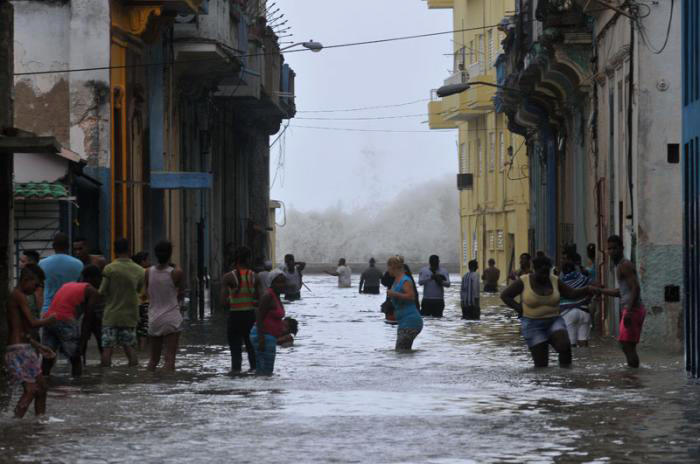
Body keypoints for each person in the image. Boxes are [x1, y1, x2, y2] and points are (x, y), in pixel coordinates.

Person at [500, 255, 596, 368]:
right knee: (542, 365)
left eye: (547, 273)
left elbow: (571, 293)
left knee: (565, 346)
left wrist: (587, 289)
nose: (545, 276)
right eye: (542, 273)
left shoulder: (554, 280)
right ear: (535, 270)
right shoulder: (523, 281)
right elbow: (505, 296)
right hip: (532, 324)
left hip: (554, 320)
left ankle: (566, 375)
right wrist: (518, 308)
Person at [5, 265, 57, 418]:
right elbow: (32, 323)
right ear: (27, 279)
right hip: (19, 349)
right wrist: (50, 320)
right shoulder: (18, 295)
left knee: (42, 387)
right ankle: (15, 424)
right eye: (36, 285)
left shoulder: (18, 296)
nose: (36, 289)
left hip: (23, 347)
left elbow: (24, 329)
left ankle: (40, 421)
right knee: (31, 390)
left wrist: (39, 346)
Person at [41, 265, 102, 378]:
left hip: (48, 320)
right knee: (75, 358)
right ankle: (77, 384)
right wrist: (82, 343)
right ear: (93, 278)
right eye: (100, 279)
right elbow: (88, 319)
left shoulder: (67, 285)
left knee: (48, 356)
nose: (100, 282)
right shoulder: (92, 291)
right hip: (65, 321)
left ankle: (44, 381)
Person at [594, 235, 645, 368]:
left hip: (633, 310)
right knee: (626, 345)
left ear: (621, 248)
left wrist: (629, 311)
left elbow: (635, 288)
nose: (611, 251)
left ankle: (633, 375)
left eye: (614, 248)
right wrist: (601, 291)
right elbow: (621, 292)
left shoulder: (625, 265)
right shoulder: (620, 266)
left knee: (627, 346)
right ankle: (633, 374)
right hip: (631, 309)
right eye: (609, 249)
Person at [99, 238, 145, 367]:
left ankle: (104, 375)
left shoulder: (109, 269)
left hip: (111, 316)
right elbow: (140, 290)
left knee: (107, 348)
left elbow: (101, 291)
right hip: (130, 316)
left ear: (115, 251)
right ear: (129, 250)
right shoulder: (140, 270)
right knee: (130, 348)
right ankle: (133, 375)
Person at [145, 241, 186, 372]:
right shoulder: (176, 273)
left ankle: (149, 381)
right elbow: (181, 292)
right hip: (171, 318)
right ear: (170, 254)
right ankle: (168, 383)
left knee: (153, 360)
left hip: (154, 318)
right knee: (169, 359)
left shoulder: (148, 272)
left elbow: (147, 292)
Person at [222, 246, 260, 373]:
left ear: (235, 259)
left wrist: (231, 299)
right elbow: (259, 300)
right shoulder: (255, 277)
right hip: (250, 317)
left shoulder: (228, 277)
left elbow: (222, 302)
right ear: (249, 259)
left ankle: (236, 374)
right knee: (252, 351)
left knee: (235, 353)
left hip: (234, 318)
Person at [250, 270, 288, 375]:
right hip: (263, 336)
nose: (282, 285)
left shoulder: (276, 296)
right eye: (279, 282)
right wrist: (261, 339)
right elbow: (259, 316)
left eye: (283, 282)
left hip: (269, 337)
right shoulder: (268, 296)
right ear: (271, 283)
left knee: (267, 372)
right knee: (264, 372)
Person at [39, 233, 84, 314]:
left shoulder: (42, 263)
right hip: (70, 310)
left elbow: (39, 289)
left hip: (48, 308)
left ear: (53, 246)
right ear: (68, 246)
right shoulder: (78, 264)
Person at [386, 256, 423, 351]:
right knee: (403, 352)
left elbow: (411, 296)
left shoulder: (405, 280)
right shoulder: (396, 280)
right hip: (403, 322)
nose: (387, 270)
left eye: (388, 267)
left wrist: (393, 294)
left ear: (393, 267)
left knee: (401, 351)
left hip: (411, 322)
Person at [559, 255, 593, 347]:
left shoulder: (561, 282)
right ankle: (585, 356)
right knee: (583, 343)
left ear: (563, 271)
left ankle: (575, 357)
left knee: (571, 345)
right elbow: (594, 287)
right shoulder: (583, 278)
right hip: (584, 312)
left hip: (568, 313)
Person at [132, 251, 151, 350]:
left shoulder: (133, 272)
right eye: (147, 260)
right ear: (142, 261)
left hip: (133, 304)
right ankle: (143, 351)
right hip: (145, 303)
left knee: (135, 329)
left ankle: (137, 351)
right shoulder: (147, 272)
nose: (149, 262)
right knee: (144, 330)